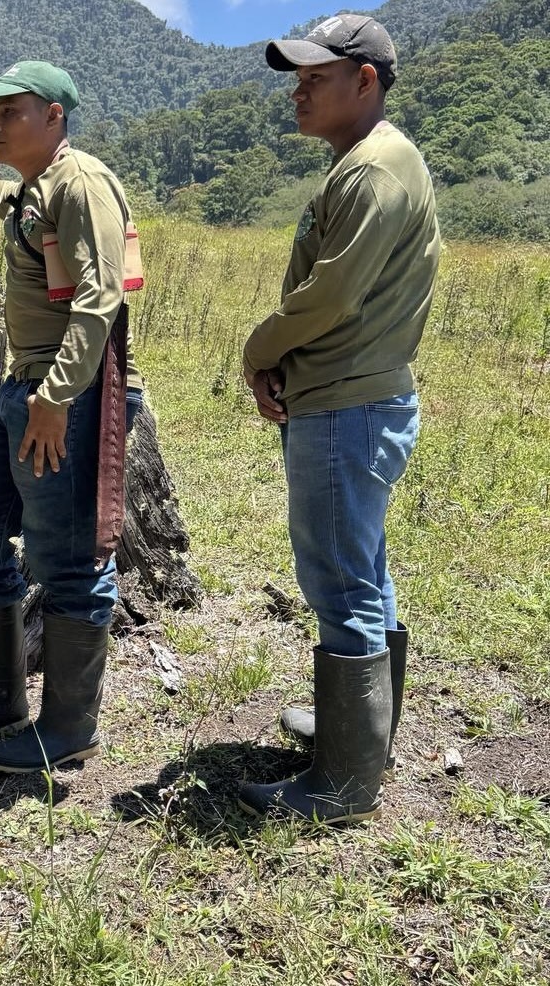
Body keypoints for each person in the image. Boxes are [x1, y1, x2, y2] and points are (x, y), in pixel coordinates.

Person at [238, 15, 440, 823]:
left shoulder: (374, 173)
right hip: (357, 395)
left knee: (341, 581)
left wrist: (259, 346)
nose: (298, 89)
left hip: (346, 404)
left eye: (315, 76)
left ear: (365, 81)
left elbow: (329, 296)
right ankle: (362, 734)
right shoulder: (368, 164)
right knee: (365, 571)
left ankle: (345, 784)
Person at [0, 61, 143, 773]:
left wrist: (55, 400)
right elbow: (14, 206)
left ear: (54, 115)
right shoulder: (37, 187)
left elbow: (98, 297)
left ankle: (70, 728)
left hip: (66, 397)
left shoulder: (82, 183)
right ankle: (1, 704)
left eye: (11, 110)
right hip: (23, 391)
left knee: (72, 562)